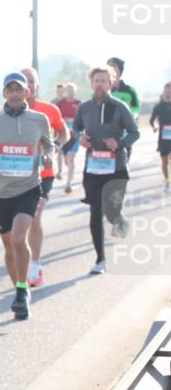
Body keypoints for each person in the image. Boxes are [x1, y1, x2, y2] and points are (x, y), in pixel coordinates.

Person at [0, 73, 55, 320]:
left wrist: (49, 156)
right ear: (4, 93)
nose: (15, 93)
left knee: (19, 238)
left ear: (27, 92)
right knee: (9, 246)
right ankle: (20, 286)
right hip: (1, 191)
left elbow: (49, 145)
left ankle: (21, 291)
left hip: (29, 188)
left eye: (19, 89)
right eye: (10, 89)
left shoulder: (39, 120)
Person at [73, 66, 140, 274]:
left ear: (111, 83)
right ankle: (100, 260)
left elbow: (134, 132)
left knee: (111, 212)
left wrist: (119, 143)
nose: (99, 84)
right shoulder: (84, 108)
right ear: (91, 84)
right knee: (95, 212)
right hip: (93, 168)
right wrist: (80, 138)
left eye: (104, 81)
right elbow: (75, 129)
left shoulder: (119, 107)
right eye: (96, 81)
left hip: (116, 168)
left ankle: (120, 219)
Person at [20, 68, 69, 288]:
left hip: (43, 173)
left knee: (35, 218)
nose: (29, 85)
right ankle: (20, 261)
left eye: (32, 82)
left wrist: (55, 148)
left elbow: (63, 131)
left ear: (37, 86)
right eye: (24, 81)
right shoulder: (10, 111)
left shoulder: (49, 110)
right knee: (18, 225)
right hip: (17, 175)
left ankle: (35, 265)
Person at [107, 57, 141, 161]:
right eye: (108, 65)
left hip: (125, 129)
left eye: (113, 65)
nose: (110, 67)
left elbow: (136, 107)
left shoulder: (130, 90)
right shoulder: (102, 89)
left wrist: (130, 117)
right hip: (106, 129)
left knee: (123, 157)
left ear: (120, 69)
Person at [57, 83, 82, 194]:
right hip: (63, 135)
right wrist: (64, 120)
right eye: (69, 90)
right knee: (63, 157)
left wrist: (74, 121)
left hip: (75, 136)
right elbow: (56, 118)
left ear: (75, 91)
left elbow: (84, 118)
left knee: (70, 158)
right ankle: (60, 171)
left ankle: (68, 185)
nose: (70, 92)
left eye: (72, 90)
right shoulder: (61, 103)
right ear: (65, 91)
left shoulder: (79, 103)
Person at [150, 81, 171, 191]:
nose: (168, 93)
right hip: (163, 137)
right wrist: (154, 126)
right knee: (164, 161)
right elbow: (151, 120)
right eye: (166, 90)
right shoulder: (159, 106)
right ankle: (167, 180)